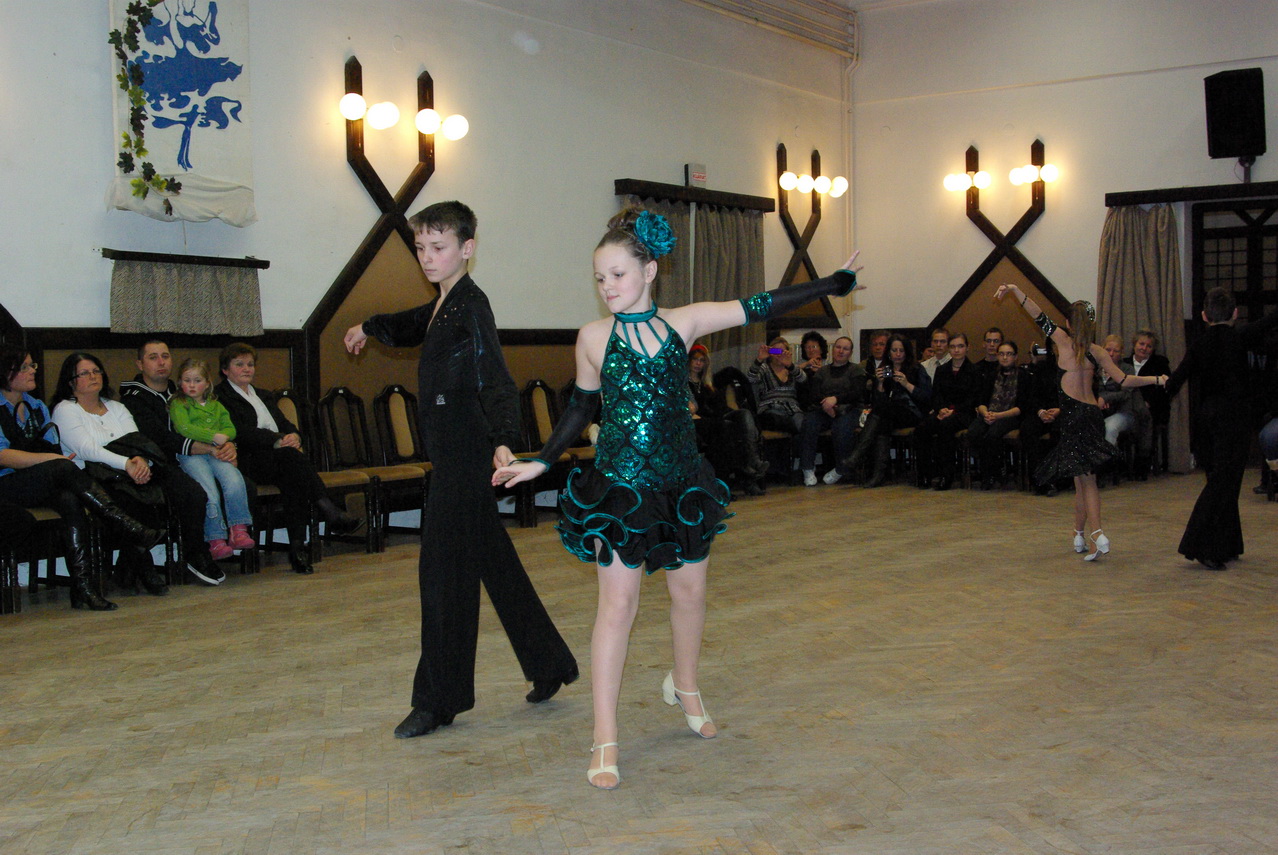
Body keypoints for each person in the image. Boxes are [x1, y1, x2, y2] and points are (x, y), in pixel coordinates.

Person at [492, 206, 862, 789]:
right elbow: (581, 407)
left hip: (681, 483)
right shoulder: (593, 338)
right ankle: (605, 734)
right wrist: (542, 459)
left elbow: (758, 304)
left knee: (689, 594)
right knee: (618, 607)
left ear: (649, 271)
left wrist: (830, 285)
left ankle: (685, 685)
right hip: (620, 489)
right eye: (599, 277)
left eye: (617, 274)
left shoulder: (683, 323)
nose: (607, 286)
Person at [343, 200, 578, 739]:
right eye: (420, 247)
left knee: (442, 574)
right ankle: (549, 663)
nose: (426, 257)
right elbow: (409, 324)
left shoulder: (472, 305)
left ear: (467, 249)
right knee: (494, 562)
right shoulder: (444, 304)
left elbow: (495, 378)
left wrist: (504, 440)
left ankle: (438, 700)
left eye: (438, 247)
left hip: (467, 458)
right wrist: (368, 326)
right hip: (453, 455)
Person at [995, 284, 1166, 560]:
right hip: (1092, 416)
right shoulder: (1097, 351)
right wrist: (1156, 379)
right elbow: (1124, 380)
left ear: (1067, 323)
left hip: (1074, 417)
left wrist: (1015, 290)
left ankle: (1098, 534)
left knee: (1087, 481)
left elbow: (1037, 314)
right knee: (1081, 480)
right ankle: (1078, 534)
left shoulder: (1063, 341)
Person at [0, 346, 162, 610]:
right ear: (6, 372)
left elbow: (51, 447)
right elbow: (3, 456)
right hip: (6, 483)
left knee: (69, 499)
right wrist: (52, 460)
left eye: (33, 366)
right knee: (63, 469)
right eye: (26, 367)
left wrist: (56, 458)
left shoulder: (36, 406)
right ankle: (127, 525)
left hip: (37, 479)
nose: (33, 371)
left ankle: (83, 587)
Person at [215, 342, 363, 575]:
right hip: (247, 459)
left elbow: (285, 424)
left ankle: (297, 549)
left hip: (279, 458)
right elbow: (238, 431)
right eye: (239, 364)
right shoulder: (221, 396)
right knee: (293, 462)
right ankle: (328, 511)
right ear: (225, 369)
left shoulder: (263, 395)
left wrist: (294, 436)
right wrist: (277, 440)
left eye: (250, 364)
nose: (246, 369)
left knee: (295, 480)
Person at [1165, 287, 1278, 570]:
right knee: (1224, 484)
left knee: (1223, 481)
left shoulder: (1199, 344)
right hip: (1234, 421)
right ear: (1235, 314)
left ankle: (1229, 544)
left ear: (1204, 316)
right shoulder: (1240, 336)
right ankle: (1201, 546)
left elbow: (1175, 381)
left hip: (1206, 421)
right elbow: (1270, 321)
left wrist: (1156, 386)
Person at [50, 352, 177, 597]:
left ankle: (128, 569)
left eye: (96, 371)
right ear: (70, 381)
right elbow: (88, 450)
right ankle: (144, 567)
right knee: (129, 499)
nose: (93, 376)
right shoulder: (65, 409)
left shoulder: (117, 407)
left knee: (155, 493)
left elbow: (136, 441)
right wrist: (127, 463)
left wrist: (141, 461)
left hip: (127, 473)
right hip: (88, 478)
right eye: (84, 373)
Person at [119, 339, 228, 585]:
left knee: (242, 483)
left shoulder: (184, 390)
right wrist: (209, 448)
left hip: (197, 457)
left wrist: (227, 445)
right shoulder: (133, 398)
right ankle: (195, 553)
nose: (161, 362)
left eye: (165, 356)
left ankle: (224, 542)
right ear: (140, 364)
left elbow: (213, 423)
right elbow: (160, 439)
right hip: (158, 463)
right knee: (193, 493)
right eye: (153, 357)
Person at [169, 358, 255, 560]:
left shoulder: (216, 405)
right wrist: (213, 436)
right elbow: (184, 428)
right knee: (209, 490)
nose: (191, 385)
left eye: (197, 380)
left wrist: (225, 437)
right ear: (180, 382)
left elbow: (230, 428)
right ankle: (215, 538)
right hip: (192, 455)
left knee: (234, 480)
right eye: (187, 380)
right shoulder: (178, 403)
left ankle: (238, 528)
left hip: (216, 452)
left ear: (207, 383)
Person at [827, 333, 929, 486]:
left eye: (901, 350)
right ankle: (877, 475)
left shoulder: (916, 368)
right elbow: (877, 401)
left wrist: (906, 384)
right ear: (889, 352)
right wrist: (880, 384)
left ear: (907, 352)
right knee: (882, 422)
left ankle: (858, 456)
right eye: (894, 350)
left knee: (881, 415)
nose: (898, 354)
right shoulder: (884, 369)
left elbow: (926, 397)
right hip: (888, 415)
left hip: (912, 412)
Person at [687, 344, 767, 496]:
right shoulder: (684, 384)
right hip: (703, 421)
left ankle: (753, 462)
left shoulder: (708, 383)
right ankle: (747, 475)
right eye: (695, 359)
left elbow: (719, 404)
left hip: (718, 417)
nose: (698, 363)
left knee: (744, 414)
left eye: (702, 360)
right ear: (689, 361)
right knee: (731, 431)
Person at [913, 332, 979, 490]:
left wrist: (953, 411)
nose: (956, 350)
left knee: (945, 427)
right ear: (949, 348)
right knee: (922, 429)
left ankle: (946, 475)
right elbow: (936, 395)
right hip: (943, 411)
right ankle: (925, 474)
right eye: (953, 346)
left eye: (960, 346)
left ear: (967, 348)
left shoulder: (974, 370)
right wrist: (940, 408)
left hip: (964, 414)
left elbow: (974, 398)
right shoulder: (942, 370)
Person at [797, 335, 865, 486]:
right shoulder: (822, 371)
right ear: (833, 349)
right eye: (838, 347)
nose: (841, 351)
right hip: (824, 409)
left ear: (850, 352)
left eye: (845, 349)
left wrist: (835, 400)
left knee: (841, 426)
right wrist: (827, 405)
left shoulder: (856, 370)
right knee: (809, 422)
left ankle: (841, 469)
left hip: (850, 409)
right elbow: (814, 394)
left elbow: (856, 393)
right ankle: (807, 468)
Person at [967, 340, 1030, 490]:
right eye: (1001, 354)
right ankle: (986, 470)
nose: (1005, 357)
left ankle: (992, 474)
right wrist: (986, 414)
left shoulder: (1024, 376)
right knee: (974, 431)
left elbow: (1022, 407)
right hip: (989, 413)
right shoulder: (991, 376)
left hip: (1010, 415)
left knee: (993, 434)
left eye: (1009, 354)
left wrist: (998, 416)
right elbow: (981, 401)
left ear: (1015, 356)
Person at [1096, 334, 1152, 479]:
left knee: (1109, 427)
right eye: (1108, 350)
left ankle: (1104, 466)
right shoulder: (1096, 369)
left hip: (1125, 412)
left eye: (1115, 351)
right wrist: (1099, 400)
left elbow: (1126, 393)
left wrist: (1105, 398)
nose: (1111, 354)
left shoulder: (1127, 369)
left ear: (1121, 353)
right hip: (1099, 410)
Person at [1020, 341, 1062, 496]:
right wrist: (1041, 412)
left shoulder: (1074, 367)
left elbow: (1078, 396)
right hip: (1043, 411)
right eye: (1055, 345)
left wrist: (1060, 410)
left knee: (1059, 432)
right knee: (1027, 429)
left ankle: (1056, 479)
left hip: (1065, 411)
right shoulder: (1042, 367)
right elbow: (1033, 395)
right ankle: (1039, 479)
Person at [747, 336, 807, 440]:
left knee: (804, 424)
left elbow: (803, 379)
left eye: (782, 351)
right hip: (771, 408)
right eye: (775, 351)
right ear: (770, 353)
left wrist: (790, 365)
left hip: (793, 409)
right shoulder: (765, 368)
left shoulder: (792, 369)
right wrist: (759, 359)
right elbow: (751, 378)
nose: (778, 355)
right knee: (780, 420)